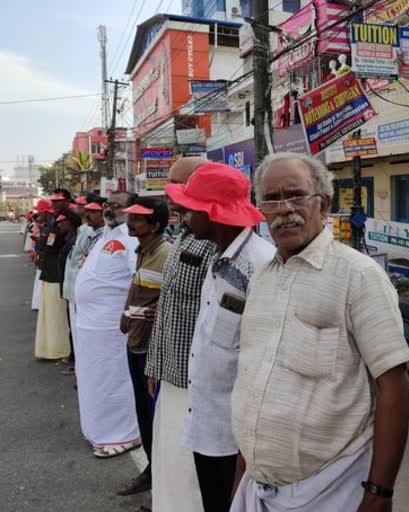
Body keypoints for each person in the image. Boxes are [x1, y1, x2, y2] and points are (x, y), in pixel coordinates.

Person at [230, 153, 409, 512]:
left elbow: (394, 384)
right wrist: (243, 476)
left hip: (333, 487)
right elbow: (255, 384)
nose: (284, 210)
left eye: (296, 195)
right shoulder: (263, 278)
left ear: (323, 204)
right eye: (271, 199)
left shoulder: (357, 275)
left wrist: (379, 492)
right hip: (258, 488)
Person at [166, 162, 275, 512]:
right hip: (209, 421)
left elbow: (265, 358)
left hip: (236, 436)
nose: (183, 217)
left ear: (212, 213)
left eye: (189, 209)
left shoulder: (259, 265)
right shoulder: (219, 257)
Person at [145, 157, 216, 512]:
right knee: (168, 460)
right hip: (169, 374)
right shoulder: (181, 234)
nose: (170, 194)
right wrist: (154, 366)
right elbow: (168, 307)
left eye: (177, 185)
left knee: (191, 473)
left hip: (197, 383)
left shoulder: (216, 242)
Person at [73, 191, 141, 458]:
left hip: (112, 327)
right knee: (93, 380)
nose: (110, 209)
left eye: (117, 205)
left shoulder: (130, 238)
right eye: (108, 205)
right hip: (89, 327)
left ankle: (124, 434)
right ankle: (98, 430)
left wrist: (130, 314)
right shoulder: (105, 236)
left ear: (132, 209)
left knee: (114, 380)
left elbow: (139, 280)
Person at [116, 197, 172, 499]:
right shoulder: (143, 251)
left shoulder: (166, 255)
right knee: (143, 412)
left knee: (154, 416)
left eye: (138, 219)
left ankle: (158, 475)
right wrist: (128, 314)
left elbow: (170, 301)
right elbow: (139, 291)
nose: (131, 223)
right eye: (131, 217)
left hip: (150, 349)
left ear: (155, 226)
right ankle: (153, 470)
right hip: (136, 343)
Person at [60, 194, 101, 376]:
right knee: (75, 328)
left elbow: (85, 257)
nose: (79, 208)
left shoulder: (89, 232)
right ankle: (79, 364)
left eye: (92, 210)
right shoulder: (83, 229)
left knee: (80, 329)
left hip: (79, 284)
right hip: (72, 285)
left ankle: (81, 365)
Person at [33, 195, 72, 360]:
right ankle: (49, 349)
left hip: (57, 274)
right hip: (49, 272)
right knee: (49, 314)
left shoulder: (62, 226)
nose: (55, 206)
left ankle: (59, 349)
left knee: (57, 316)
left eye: (58, 203)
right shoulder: (52, 224)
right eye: (53, 203)